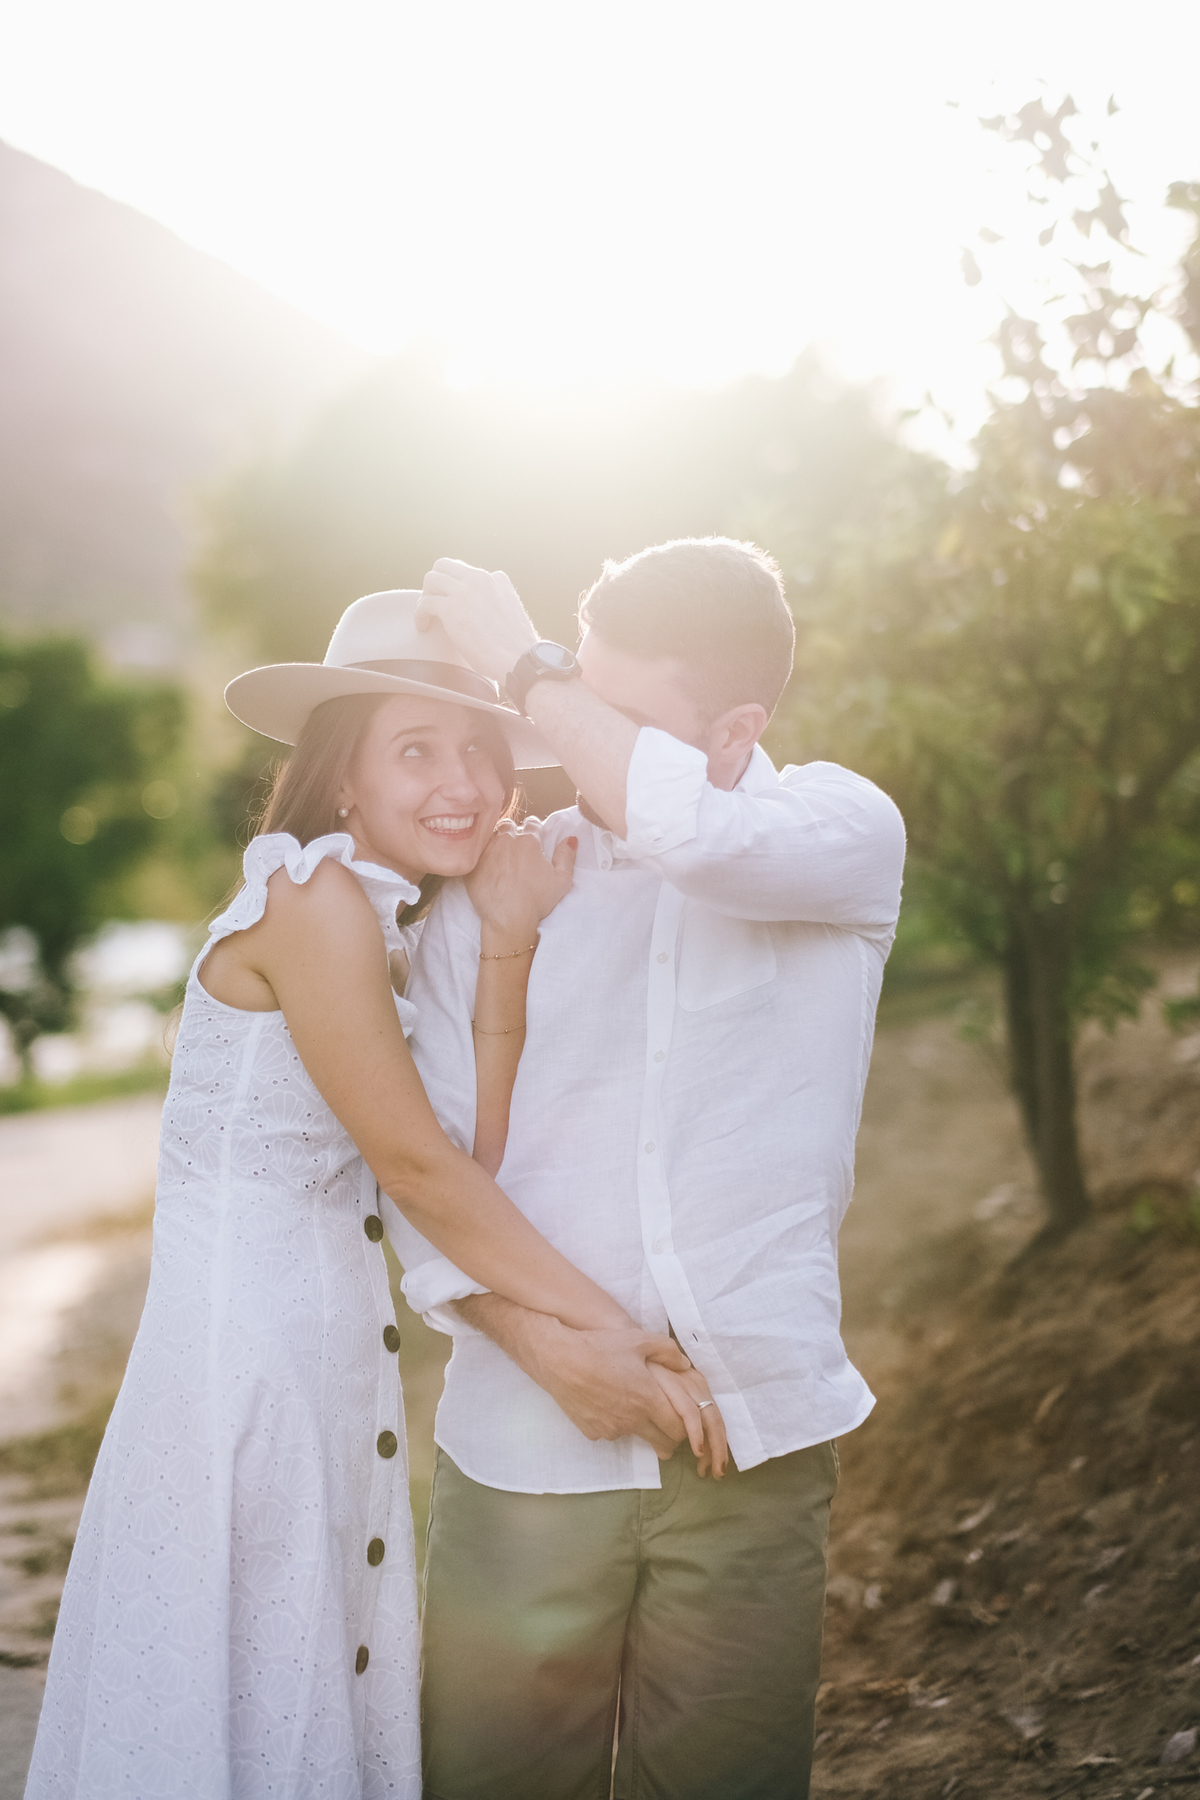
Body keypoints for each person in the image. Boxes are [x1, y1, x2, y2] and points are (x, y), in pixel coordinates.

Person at [24, 590, 716, 1800]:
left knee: (285, 1685)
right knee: (240, 1690)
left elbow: (470, 1157)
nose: (462, 782)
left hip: (325, 1356)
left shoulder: (389, 922)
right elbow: (420, 1174)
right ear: (339, 780)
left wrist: (506, 938)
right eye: (415, 750)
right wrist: (611, 1330)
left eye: (479, 751)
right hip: (250, 1372)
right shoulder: (312, 900)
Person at [390, 540, 907, 1800]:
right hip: (521, 1451)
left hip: (754, 1451)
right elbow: (427, 1166)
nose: (567, 732)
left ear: (737, 731)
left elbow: (694, 831)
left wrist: (524, 662)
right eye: (565, 690)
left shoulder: (838, 833)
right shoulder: (498, 890)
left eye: (608, 708)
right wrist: (544, 1342)